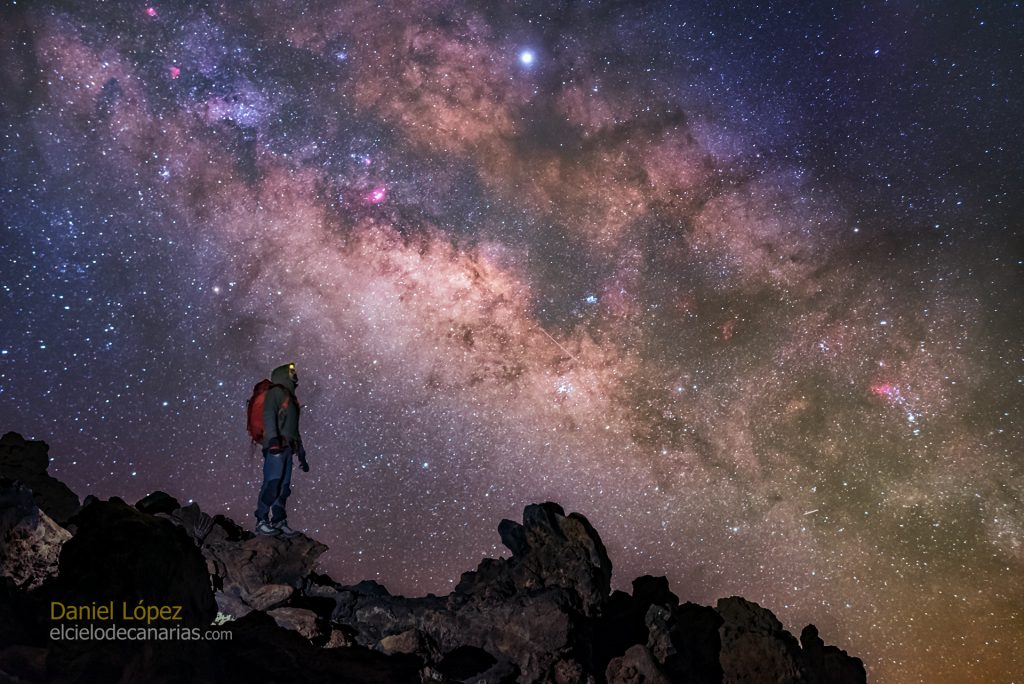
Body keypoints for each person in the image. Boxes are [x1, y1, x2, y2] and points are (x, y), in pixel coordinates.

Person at [254, 362, 310, 537]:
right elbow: (269, 414)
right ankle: (261, 520)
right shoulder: (276, 392)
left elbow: (295, 431)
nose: (295, 376)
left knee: (284, 488)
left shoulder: (292, 400)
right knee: (273, 484)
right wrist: (273, 440)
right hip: (275, 447)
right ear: (283, 375)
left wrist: (302, 456)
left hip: (287, 449)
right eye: (292, 373)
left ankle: (279, 521)